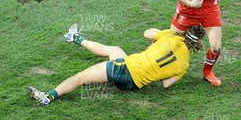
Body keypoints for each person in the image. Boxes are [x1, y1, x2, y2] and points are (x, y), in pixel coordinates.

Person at [27, 23, 205, 106]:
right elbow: (166, 84)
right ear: (197, 44)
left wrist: (168, 33)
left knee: (80, 77)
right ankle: (74, 37)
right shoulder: (185, 64)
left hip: (124, 69)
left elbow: (147, 33)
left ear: (185, 32)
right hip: (133, 85)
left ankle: (47, 97)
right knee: (114, 50)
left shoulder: (170, 36)